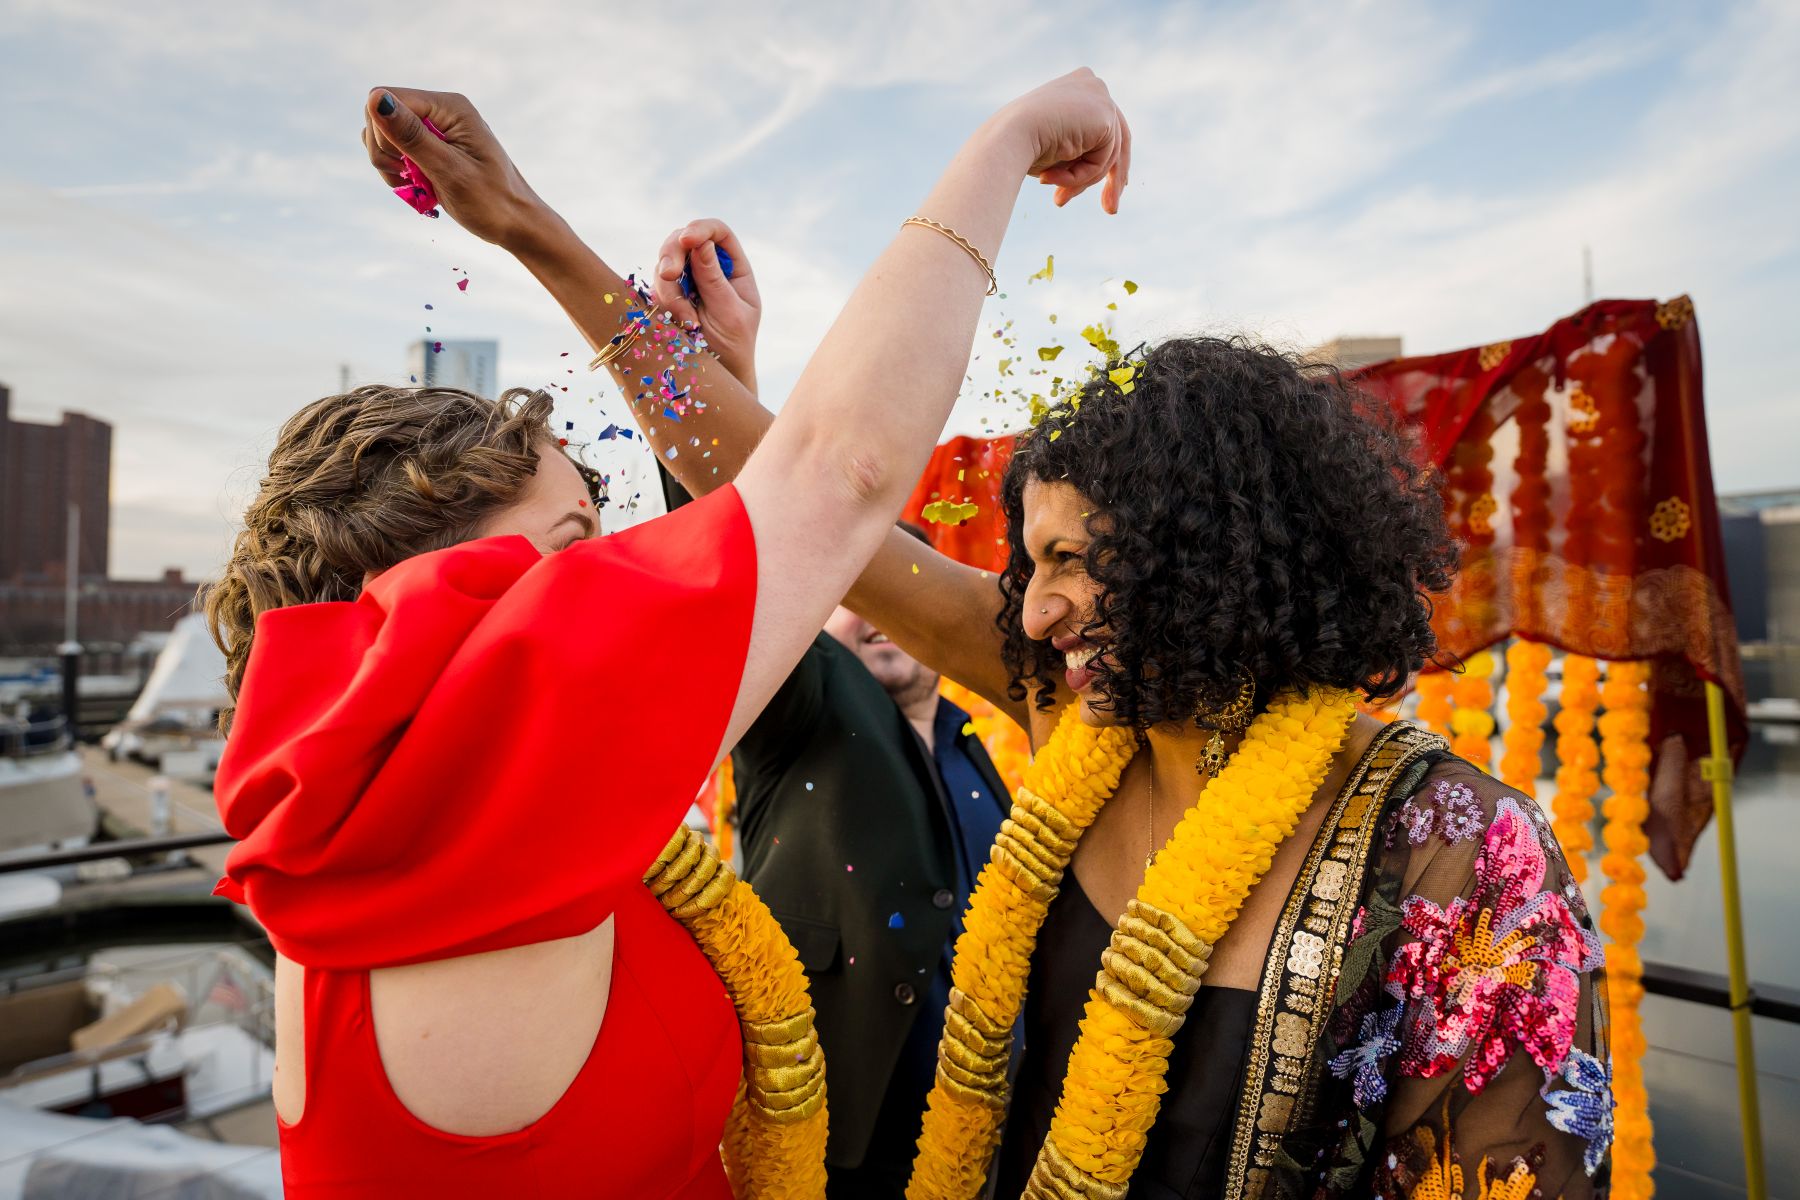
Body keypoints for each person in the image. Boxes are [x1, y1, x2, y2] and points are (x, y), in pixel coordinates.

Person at [205, 72, 1131, 1197]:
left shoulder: (380, 820)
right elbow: (836, 478)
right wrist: (1013, 135)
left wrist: (686, 350)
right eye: (573, 540)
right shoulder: (502, 802)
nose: (612, 570)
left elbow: (775, 529)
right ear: (431, 591)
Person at [561, 224, 1615, 1195]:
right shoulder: (1086, 725)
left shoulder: (1462, 850)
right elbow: (809, 500)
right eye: (1028, 564)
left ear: (1214, 559)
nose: (1039, 606)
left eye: (1073, 560)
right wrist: (520, 219)